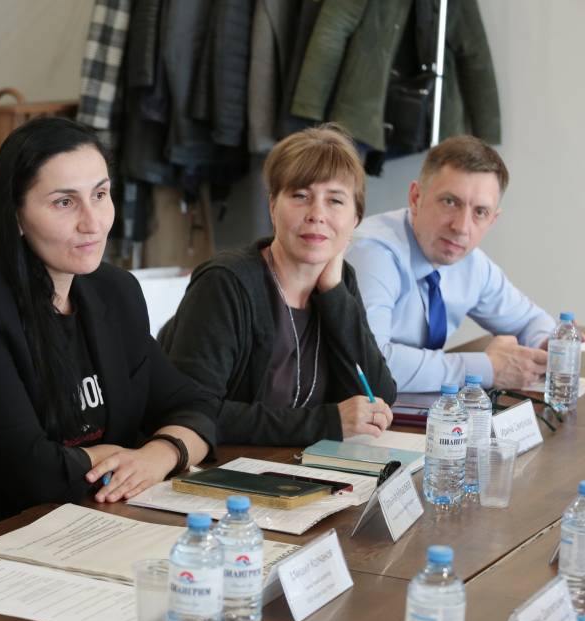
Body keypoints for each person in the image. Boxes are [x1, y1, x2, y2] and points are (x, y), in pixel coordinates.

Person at [0, 117, 217, 531]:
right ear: (16, 214)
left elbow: (196, 407)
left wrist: (159, 455)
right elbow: (34, 475)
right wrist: (124, 456)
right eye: (64, 202)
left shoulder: (114, 291)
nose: (93, 222)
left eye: (100, 195)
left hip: (95, 521)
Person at [159, 124, 396, 446]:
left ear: (355, 219)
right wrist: (327, 422)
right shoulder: (226, 282)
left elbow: (378, 399)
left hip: (296, 465)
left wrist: (334, 293)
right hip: (221, 463)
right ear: (273, 207)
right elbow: (193, 409)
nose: (317, 214)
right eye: (300, 196)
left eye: (335, 201)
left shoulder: (341, 281)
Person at [345, 135, 553, 393]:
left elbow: (531, 320)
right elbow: (369, 364)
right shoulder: (373, 253)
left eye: (480, 212)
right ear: (415, 198)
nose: (461, 227)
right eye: (450, 202)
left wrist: (548, 350)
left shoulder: (471, 263)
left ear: (492, 220)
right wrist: (485, 368)